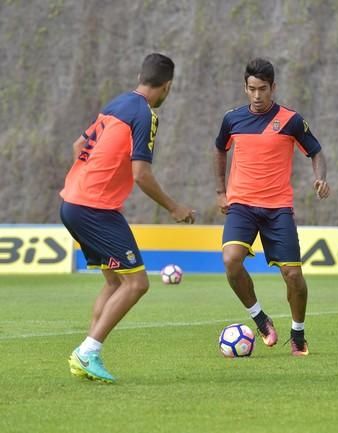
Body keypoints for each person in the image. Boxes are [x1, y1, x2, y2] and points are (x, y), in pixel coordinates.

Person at [59, 53, 195, 383]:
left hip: (73, 202)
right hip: (94, 208)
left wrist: (97, 182)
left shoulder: (117, 103)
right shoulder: (145, 115)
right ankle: (87, 352)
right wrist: (174, 208)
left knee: (115, 281)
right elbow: (142, 175)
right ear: (168, 86)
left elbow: (79, 145)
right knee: (137, 282)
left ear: (139, 76)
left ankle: (87, 354)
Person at [214, 58, 330, 356]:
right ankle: (260, 319)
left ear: (273, 88)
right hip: (241, 204)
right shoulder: (232, 119)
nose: (256, 95)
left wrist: (320, 179)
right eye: (251, 89)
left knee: (293, 275)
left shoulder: (291, 120)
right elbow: (219, 149)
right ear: (245, 88)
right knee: (231, 260)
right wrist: (220, 190)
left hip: (278, 208)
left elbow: (316, 152)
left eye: (262, 89)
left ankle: (298, 332)